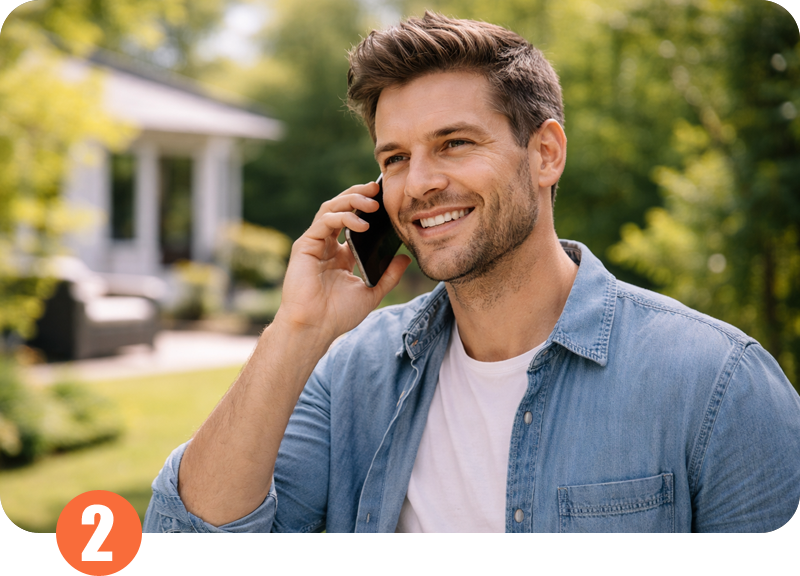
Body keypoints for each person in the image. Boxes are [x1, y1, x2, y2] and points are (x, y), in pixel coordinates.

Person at [143, 12, 800, 533]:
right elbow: (191, 545)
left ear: (545, 154)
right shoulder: (354, 375)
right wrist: (297, 329)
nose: (420, 184)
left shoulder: (718, 385)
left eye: (454, 143)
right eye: (395, 158)